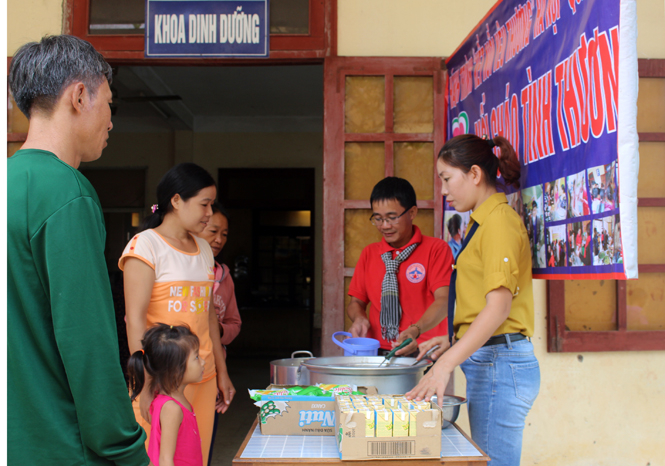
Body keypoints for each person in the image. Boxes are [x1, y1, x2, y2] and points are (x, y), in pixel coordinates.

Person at [7, 35, 152, 466]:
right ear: (80, 95)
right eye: (109, 105)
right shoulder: (68, 194)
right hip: (62, 445)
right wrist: (127, 451)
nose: (110, 122)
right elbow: (87, 343)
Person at [407, 134, 540, 466]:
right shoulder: (483, 222)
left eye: (447, 178)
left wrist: (447, 363)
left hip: (500, 361)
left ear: (476, 174)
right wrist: (450, 340)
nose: (443, 190)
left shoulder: (499, 224)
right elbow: (484, 305)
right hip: (492, 358)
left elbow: (499, 308)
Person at [120, 163, 235, 465]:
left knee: (193, 457)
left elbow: (210, 317)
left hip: (202, 374)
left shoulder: (203, 248)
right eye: (204, 204)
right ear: (175, 201)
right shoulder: (145, 246)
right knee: (155, 458)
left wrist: (221, 372)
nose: (210, 213)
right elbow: (134, 321)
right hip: (160, 380)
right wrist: (144, 385)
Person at [347, 177, 454, 356]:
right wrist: (359, 319)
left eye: (392, 218)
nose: (385, 226)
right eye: (378, 219)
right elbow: (356, 302)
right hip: (378, 349)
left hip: (424, 349)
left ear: (412, 212)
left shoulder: (436, 249)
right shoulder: (370, 253)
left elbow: (444, 301)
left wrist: (415, 330)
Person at [195, 202, 242, 465]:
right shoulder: (182, 270)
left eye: (224, 234)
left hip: (211, 371)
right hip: (175, 371)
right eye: (213, 231)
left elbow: (234, 323)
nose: (219, 239)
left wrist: (218, 330)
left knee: (202, 446)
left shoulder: (224, 278)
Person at [128, 324, 205, 466]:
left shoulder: (169, 401)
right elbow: (165, 460)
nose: (203, 362)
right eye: (196, 357)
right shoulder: (171, 409)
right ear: (175, 370)